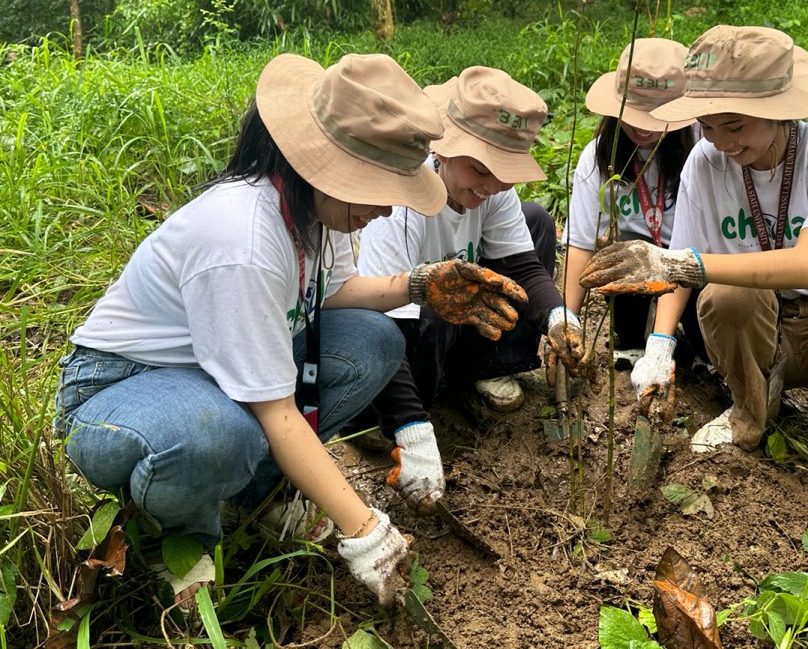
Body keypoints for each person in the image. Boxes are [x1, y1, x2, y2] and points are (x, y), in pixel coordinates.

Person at [53, 53, 527, 612]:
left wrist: (418, 285)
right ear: (330, 168)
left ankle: (257, 494)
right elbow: (276, 410)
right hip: (122, 390)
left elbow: (333, 292)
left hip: (213, 372)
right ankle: (179, 535)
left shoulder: (311, 213)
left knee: (375, 342)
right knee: (221, 435)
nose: (385, 210)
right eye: (379, 190)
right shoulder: (243, 240)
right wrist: (365, 530)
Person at [579, 26, 808, 471]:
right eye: (707, 126)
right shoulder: (706, 161)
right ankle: (750, 410)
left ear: (779, 111)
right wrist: (659, 346)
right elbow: (682, 260)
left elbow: (807, 265)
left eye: (735, 126)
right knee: (725, 295)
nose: (720, 142)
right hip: (756, 333)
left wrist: (681, 262)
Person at [355, 66, 586, 511]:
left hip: (459, 323)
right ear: (444, 148)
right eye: (481, 169)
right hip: (405, 339)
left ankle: (484, 367)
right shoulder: (400, 203)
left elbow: (524, 268)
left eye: (504, 173)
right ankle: (389, 418)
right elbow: (385, 329)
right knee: (434, 306)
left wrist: (560, 318)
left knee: (536, 221)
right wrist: (411, 427)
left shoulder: (494, 190)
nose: (492, 186)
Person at [562, 37, 703, 421]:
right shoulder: (599, 156)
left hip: (693, 264)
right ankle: (630, 338)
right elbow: (580, 243)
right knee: (628, 250)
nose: (642, 127)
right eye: (634, 113)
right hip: (635, 268)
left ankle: (687, 342)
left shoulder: (703, 151)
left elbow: (691, 250)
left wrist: (662, 343)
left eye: (657, 116)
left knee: (700, 322)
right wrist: (567, 320)